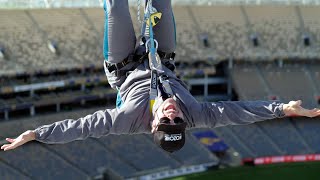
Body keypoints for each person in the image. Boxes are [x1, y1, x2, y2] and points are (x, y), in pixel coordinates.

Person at [1, 0, 320, 153]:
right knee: (160, 3)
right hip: (161, 57)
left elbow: (82, 128)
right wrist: (282, 109)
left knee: (116, 7)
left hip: (124, 64)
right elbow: (237, 113)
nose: (172, 114)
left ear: (151, 125)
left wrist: (36, 133)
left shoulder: (127, 119)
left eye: (165, 121)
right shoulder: (197, 115)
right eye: (176, 121)